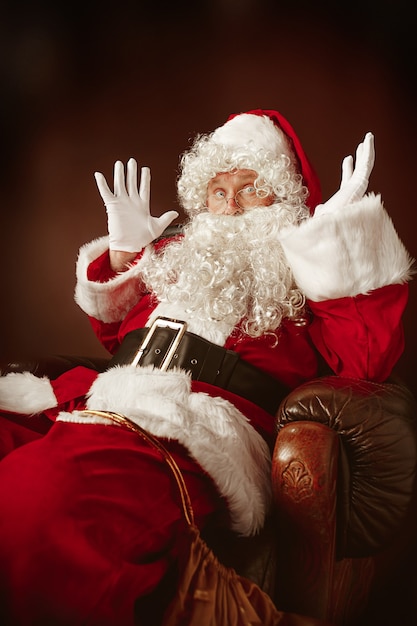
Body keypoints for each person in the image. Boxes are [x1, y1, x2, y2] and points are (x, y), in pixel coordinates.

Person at [0, 108, 413, 625]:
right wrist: (128, 255)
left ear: (285, 198)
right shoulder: (179, 253)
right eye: (218, 192)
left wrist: (341, 241)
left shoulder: (306, 270)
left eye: (250, 187)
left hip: (191, 427)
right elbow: (118, 336)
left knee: (40, 497)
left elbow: (366, 358)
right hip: (95, 399)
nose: (231, 205)